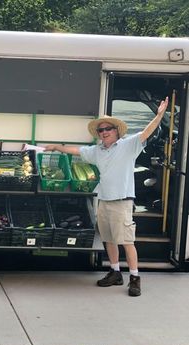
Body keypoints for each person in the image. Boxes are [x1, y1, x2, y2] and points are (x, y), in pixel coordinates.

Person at [44, 97, 169, 297]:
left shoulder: (129, 145)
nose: (104, 133)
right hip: (104, 201)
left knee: (127, 241)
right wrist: (57, 147)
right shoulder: (97, 151)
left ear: (116, 130)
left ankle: (135, 278)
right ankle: (115, 272)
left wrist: (160, 114)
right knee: (108, 240)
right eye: (101, 130)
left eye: (107, 129)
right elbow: (76, 150)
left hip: (122, 201)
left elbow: (147, 132)